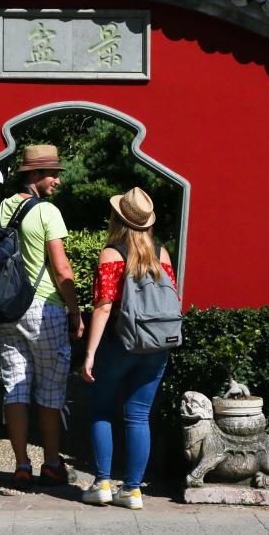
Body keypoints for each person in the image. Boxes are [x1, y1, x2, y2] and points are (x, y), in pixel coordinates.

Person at [0, 144, 84, 490]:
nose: (57, 180)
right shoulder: (47, 211)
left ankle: (20, 466)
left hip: (6, 311)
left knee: (15, 387)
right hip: (44, 309)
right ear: (32, 176)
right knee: (50, 389)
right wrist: (75, 310)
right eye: (51, 174)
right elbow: (61, 269)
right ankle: (53, 465)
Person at [81, 186, 178, 509]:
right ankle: (133, 490)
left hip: (118, 343)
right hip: (156, 344)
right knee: (139, 417)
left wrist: (90, 352)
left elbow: (104, 306)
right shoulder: (161, 253)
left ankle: (102, 484)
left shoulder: (112, 253)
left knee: (101, 410)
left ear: (118, 218)